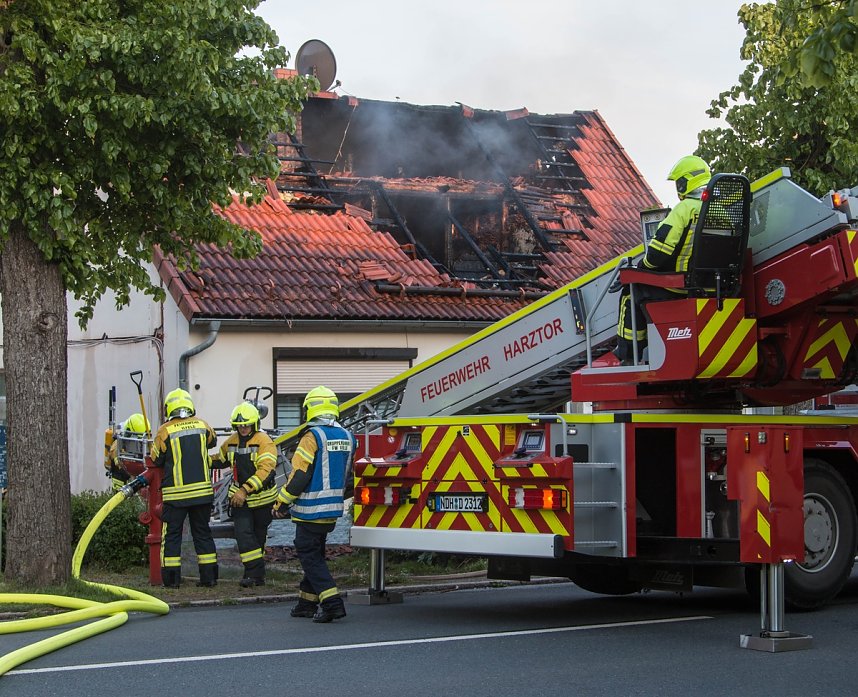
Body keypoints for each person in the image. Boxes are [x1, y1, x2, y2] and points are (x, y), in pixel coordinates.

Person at [613, 155, 712, 364]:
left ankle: (629, 354)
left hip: (681, 287)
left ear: (686, 182)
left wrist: (641, 270)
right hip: (714, 286)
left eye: (679, 182)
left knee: (631, 292)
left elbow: (657, 254)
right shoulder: (720, 209)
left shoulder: (684, 209)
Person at [272, 386, 355, 623]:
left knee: (309, 555)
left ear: (310, 409)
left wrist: (282, 502)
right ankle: (306, 604)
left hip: (311, 510)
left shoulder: (312, 437)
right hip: (333, 509)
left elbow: (299, 475)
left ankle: (332, 603)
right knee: (315, 551)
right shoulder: (348, 436)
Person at [150, 387, 219, 588]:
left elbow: (156, 458)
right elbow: (212, 441)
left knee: (172, 535)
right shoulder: (202, 425)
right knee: (203, 533)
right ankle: (209, 578)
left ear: (169, 408)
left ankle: (172, 581)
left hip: (176, 495)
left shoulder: (165, 430)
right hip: (203, 494)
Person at [211, 402, 278, 587]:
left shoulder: (265, 442)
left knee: (258, 538)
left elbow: (265, 471)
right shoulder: (232, 441)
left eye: (246, 425)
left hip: (262, 499)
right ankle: (256, 573)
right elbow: (219, 460)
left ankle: (254, 576)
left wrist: (244, 490)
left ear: (255, 424)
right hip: (240, 500)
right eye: (239, 426)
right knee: (243, 535)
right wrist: (200, 457)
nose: (242, 428)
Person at [103, 413, 149, 491]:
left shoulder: (143, 443)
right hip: (120, 481)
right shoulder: (118, 444)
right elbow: (119, 463)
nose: (140, 443)